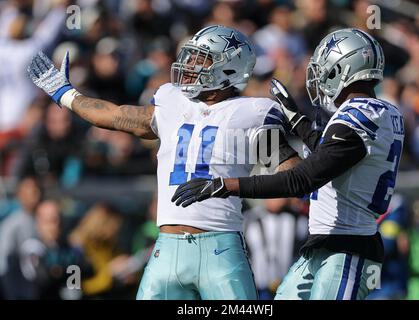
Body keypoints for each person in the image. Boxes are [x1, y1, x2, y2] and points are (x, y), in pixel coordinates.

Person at [27, 25, 299, 300]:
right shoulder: (172, 101)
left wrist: (236, 185)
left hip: (222, 245)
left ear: (229, 69)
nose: (190, 65)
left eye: (201, 59)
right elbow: (115, 115)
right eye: (191, 57)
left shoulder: (252, 113)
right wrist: (66, 94)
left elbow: (293, 175)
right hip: (167, 247)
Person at [172, 28, 406, 300]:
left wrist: (225, 186)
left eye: (324, 67)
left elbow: (303, 179)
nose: (318, 75)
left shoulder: (355, 119)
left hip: (349, 249)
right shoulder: (382, 112)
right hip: (328, 244)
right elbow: (330, 156)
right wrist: (296, 119)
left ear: (343, 67)